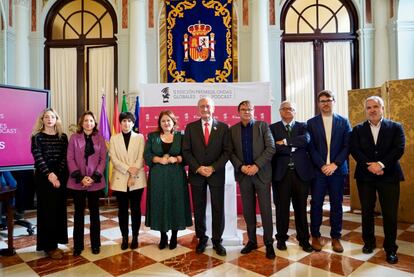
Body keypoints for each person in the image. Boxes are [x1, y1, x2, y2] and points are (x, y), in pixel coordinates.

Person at [350, 96, 405, 264]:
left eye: (375, 106)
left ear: (382, 108)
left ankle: (390, 249)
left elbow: (399, 149)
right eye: (369, 107)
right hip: (365, 176)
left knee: (390, 214)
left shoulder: (395, 127)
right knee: (367, 212)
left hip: (389, 175)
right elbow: (355, 149)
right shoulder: (357, 129)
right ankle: (369, 242)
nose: (372, 110)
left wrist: (381, 165)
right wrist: (371, 166)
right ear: (365, 110)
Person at [182, 97, 230, 256]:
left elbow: (227, 151)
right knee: (199, 208)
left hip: (216, 174)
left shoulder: (223, 127)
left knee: (218, 208)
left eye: (207, 106)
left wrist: (213, 167)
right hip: (197, 175)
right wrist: (197, 168)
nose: (205, 109)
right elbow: (186, 151)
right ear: (198, 109)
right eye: (201, 106)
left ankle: (217, 240)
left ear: (213, 108)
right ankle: (202, 238)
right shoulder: (190, 127)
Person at [229, 100, 276, 259]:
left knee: (265, 211)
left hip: (261, 174)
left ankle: (269, 243)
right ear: (238, 112)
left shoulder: (263, 126)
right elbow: (230, 152)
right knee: (248, 211)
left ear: (254, 110)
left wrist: (257, 165)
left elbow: (271, 148)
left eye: (249, 109)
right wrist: (241, 167)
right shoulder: (233, 130)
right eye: (243, 109)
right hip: (244, 175)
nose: (246, 112)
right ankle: (252, 241)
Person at [307, 90, 351, 253]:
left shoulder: (344, 122)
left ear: (334, 101)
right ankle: (316, 235)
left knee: (336, 205)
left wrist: (334, 164)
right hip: (319, 171)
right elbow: (310, 147)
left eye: (328, 100)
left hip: (337, 171)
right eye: (322, 101)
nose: (325, 103)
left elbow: (347, 146)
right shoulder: (311, 123)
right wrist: (322, 165)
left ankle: (335, 237)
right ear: (318, 103)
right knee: (316, 203)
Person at [269, 101, 314, 253]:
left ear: (295, 111)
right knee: (282, 208)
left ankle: (304, 239)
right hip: (281, 174)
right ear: (280, 111)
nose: (288, 111)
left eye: (291, 109)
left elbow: (306, 140)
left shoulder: (303, 126)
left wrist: (286, 142)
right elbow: (273, 147)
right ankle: (281, 238)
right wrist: (294, 146)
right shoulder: (272, 128)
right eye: (285, 108)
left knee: (301, 208)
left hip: (301, 173)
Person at [144, 110, 192, 250]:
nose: (166, 123)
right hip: (157, 177)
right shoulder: (152, 137)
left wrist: (177, 158)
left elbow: (187, 155)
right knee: (160, 203)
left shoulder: (180, 136)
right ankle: (163, 236)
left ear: (173, 122)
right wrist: (159, 159)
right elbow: (147, 155)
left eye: (168, 120)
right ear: (159, 123)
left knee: (175, 203)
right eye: (163, 121)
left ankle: (174, 236)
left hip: (176, 177)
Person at [67, 111, 107, 256]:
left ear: (94, 123)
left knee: (95, 214)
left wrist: (94, 177)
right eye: (85, 120)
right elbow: (70, 158)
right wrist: (81, 177)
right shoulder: (74, 138)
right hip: (78, 182)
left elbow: (103, 160)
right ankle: (78, 246)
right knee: (78, 214)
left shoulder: (100, 139)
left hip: (95, 182)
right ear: (81, 123)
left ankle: (96, 244)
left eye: (91, 121)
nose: (88, 123)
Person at [31, 108, 68, 259]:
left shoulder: (63, 137)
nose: (49, 119)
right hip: (44, 177)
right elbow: (38, 157)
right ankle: (48, 246)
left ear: (56, 119)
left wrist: (57, 175)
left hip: (60, 176)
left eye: (52, 117)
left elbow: (65, 157)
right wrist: (50, 175)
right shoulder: (37, 137)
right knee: (46, 211)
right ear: (42, 120)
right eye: (46, 117)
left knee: (58, 211)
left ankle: (56, 243)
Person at [109, 111, 146, 250]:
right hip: (120, 178)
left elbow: (141, 157)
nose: (126, 123)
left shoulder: (140, 137)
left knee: (136, 209)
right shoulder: (114, 139)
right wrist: (128, 170)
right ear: (120, 123)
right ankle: (125, 237)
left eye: (129, 121)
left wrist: (133, 174)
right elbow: (114, 159)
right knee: (122, 210)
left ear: (133, 123)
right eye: (124, 121)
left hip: (137, 178)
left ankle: (135, 236)